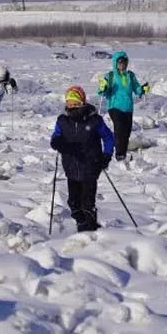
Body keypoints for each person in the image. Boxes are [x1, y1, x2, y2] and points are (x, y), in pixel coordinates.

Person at [50, 85, 114, 233]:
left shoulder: (94, 121)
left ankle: (89, 232)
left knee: (87, 203)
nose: (72, 106)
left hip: (91, 166)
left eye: (75, 102)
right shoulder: (62, 121)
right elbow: (55, 137)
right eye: (69, 103)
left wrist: (107, 155)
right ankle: (83, 225)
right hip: (71, 168)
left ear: (82, 102)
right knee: (73, 204)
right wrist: (56, 142)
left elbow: (108, 137)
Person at [96, 50, 150, 163]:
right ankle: (119, 155)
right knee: (119, 129)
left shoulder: (130, 75)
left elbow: (137, 89)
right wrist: (103, 87)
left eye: (125, 62)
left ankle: (123, 153)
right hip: (114, 107)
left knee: (126, 131)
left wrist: (143, 89)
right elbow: (102, 92)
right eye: (120, 62)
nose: (122, 65)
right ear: (115, 63)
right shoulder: (110, 76)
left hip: (128, 108)